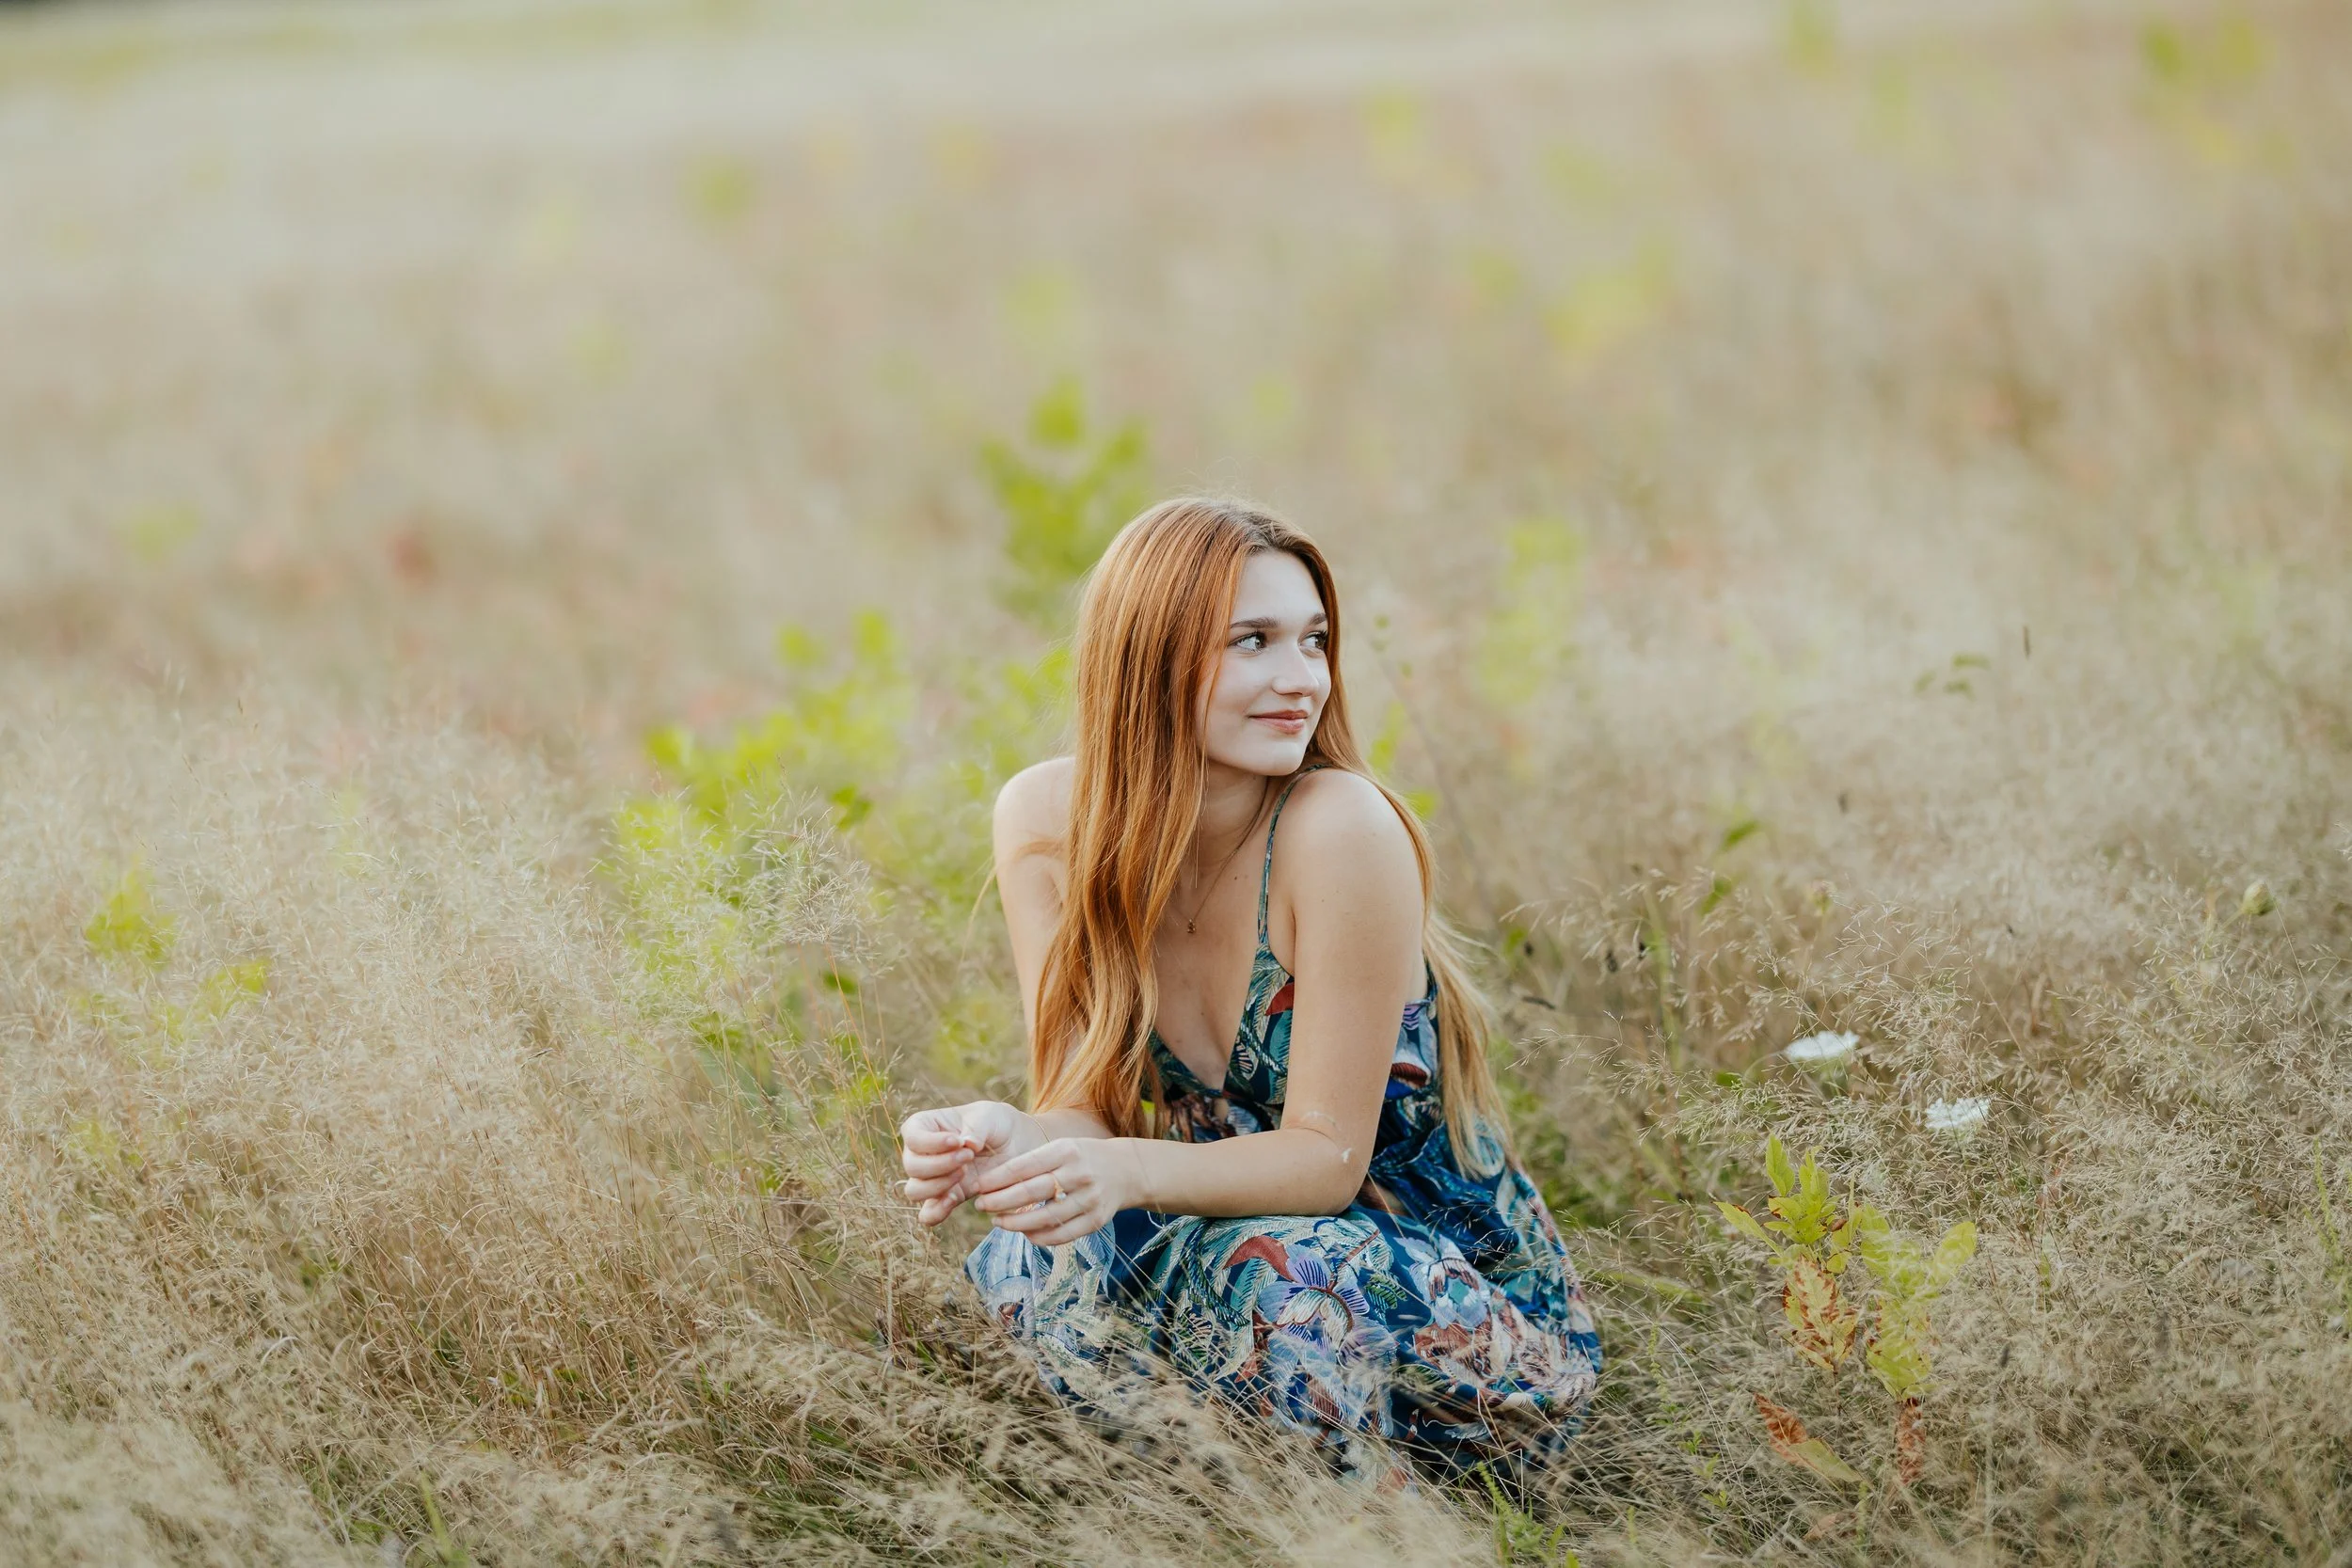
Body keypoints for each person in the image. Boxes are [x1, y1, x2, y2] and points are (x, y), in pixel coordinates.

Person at [898, 497, 1599, 1480]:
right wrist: (1009, 1137)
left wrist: (1129, 1173)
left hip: (1445, 1315)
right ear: (1147, 656)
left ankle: (1388, 1529)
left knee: (1276, 1267)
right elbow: (1084, 1110)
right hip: (1246, 1265)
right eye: (1252, 641)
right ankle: (1197, 1503)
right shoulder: (1045, 820)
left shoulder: (1340, 827)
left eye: (1314, 640)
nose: (1299, 679)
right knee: (1034, 1253)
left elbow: (1324, 1163)